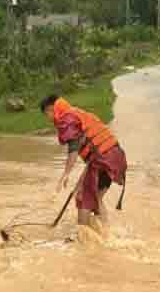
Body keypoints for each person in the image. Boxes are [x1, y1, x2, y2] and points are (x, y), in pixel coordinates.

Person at [40, 95, 127, 229]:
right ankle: (105, 232)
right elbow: (90, 149)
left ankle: (82, 236)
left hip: (103, 159)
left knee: (83, 197)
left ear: (50, 109)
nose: (49, 119)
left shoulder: (67, 118)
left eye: (47, 115)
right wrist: (80, 180)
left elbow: (73, 149)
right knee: (96, 197)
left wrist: (66, 174)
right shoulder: (75, 113)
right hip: (115, 157)